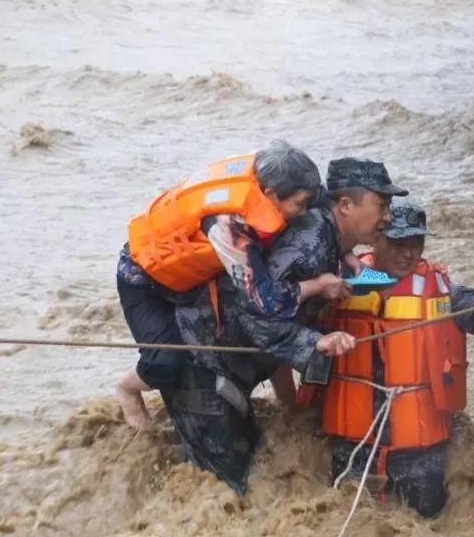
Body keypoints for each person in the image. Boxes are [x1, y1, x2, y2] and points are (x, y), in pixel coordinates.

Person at [302, 198, 474, 517]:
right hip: (351, 447)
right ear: (374, 238)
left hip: (420, 453)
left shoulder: (440, 293)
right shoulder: (336, 283)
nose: (408, 252)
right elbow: (281, 321)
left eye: (416, 242)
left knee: (427, 531)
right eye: (398, 242)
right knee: (348, 526)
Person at [162, 157, 407, 494]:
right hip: (203, 362)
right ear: (346, 206)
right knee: (226, 489)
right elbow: (257, 311)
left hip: (229, 365)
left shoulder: (325, 234)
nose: (388, 216)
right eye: (382, 205)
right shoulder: (311, 243)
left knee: (249, 461)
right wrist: (313, 342)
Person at [116, 142, 352, 431]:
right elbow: (266, 302)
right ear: (270, 194)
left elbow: (318, 199)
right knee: (168, 360)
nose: (304, 211)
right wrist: (318, 284)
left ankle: (289, 411)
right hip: (144, 276)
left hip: (196, 275)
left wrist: (346, 250)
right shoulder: (229, 226)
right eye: (299, 204)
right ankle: (128, 388)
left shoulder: (274, 176)